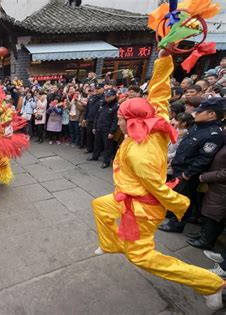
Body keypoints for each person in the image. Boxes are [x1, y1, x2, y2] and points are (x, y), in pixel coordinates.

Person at [92, 49, 224, 311]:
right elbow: (160, 92)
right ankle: (111, 244)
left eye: (119, 118)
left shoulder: (141, 152)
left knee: (142, 257)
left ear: (128, 121)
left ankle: (211, 284)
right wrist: (164, 58)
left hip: (142, 206)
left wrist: (178, 203)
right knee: (100, 205)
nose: (117, 121)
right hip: (128, 196)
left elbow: (155, 186)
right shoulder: (156, 119)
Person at [159, 98, 224, 233]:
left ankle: (176, 224)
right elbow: (185, 147)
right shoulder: (197, 125)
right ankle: (171, 214)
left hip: (188, 172)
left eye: (200, 111)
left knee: (183, 199)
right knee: (175, 194)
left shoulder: (214, 134)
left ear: (211, 114)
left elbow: (204, 158)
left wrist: (188, 173)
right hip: (179, 166)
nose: (196, 113)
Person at [185, 124, 226, 249]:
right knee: (209, 212)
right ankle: (202, 235)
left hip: (221, 186)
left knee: (215, 215)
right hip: (215, 185)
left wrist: (205, 176)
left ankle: (206, 241)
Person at [88, 88, 119, 168]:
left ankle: (106, 161)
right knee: (97, 143)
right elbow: (97, 116)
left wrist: (112, 132)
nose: (106, 98)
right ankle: (95, 156)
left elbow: (115, 121)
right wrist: (94, 127)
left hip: (107, 129)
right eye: (105, 96)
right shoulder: (102, 104)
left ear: (114, 96)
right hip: (99, 127)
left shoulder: (116, 106)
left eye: (108, 96)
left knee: (107, 146)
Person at [81, 83, 104, 153]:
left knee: (97, 137)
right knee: (89, 135)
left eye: (98, 89)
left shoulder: (104, 98)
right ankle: (89, 148)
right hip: (90, 119)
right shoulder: (92, 97)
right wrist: (84, 118)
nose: (96, 90)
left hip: (98, 121)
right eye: (96, 89)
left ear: (103, 89)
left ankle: (97, 151)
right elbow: (87, 109)